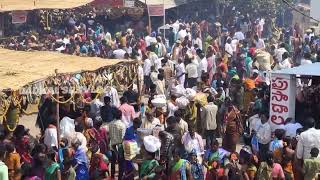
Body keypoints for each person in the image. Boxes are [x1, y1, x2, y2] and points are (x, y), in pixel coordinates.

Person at [108, 109, 126, 179]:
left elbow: (109, 135)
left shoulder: (110, 124)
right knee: (121, 163)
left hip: (113, 145)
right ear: (121, 116)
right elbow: (123, 137)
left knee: (113, 162)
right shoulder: (122, 125)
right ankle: (120, 177)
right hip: (120, 146)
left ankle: (112, 176)